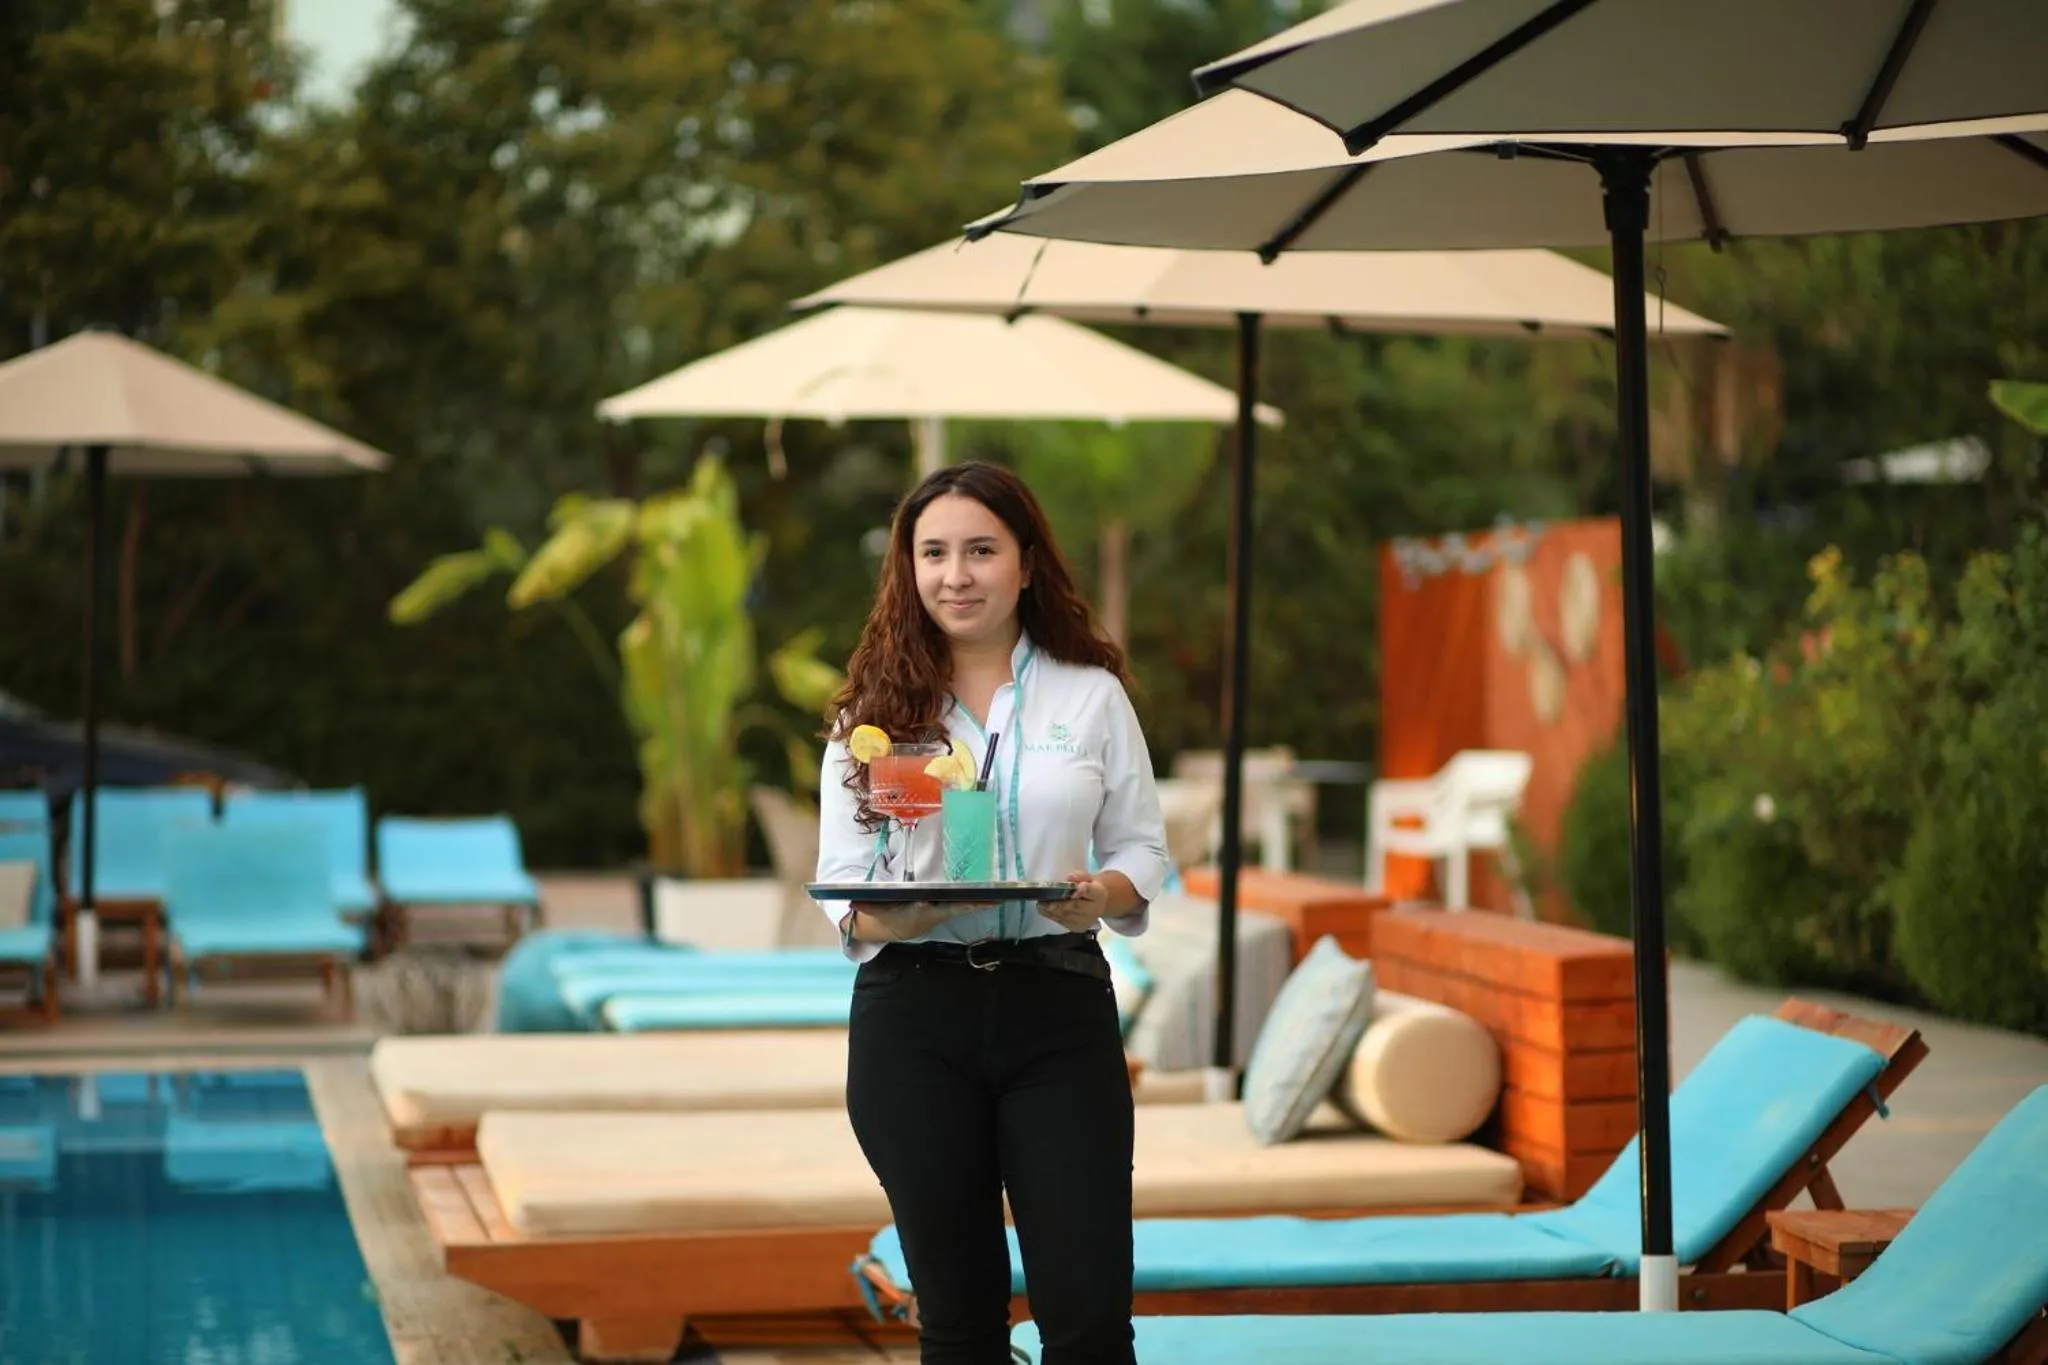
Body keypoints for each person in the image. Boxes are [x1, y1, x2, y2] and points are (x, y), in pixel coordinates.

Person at [815, 461, 1169, 1365]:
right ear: (909, 568)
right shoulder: (872, 713)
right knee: (961, 1324)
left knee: (1089, 1319)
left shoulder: (1089, 694)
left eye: (980, 550)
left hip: (1058, 1012)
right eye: (933, 552)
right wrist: (906, 914)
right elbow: (845, 887)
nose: (956, 574)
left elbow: (1142, 849)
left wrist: (1102, 893)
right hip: (914, 1023)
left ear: (1024, 563)